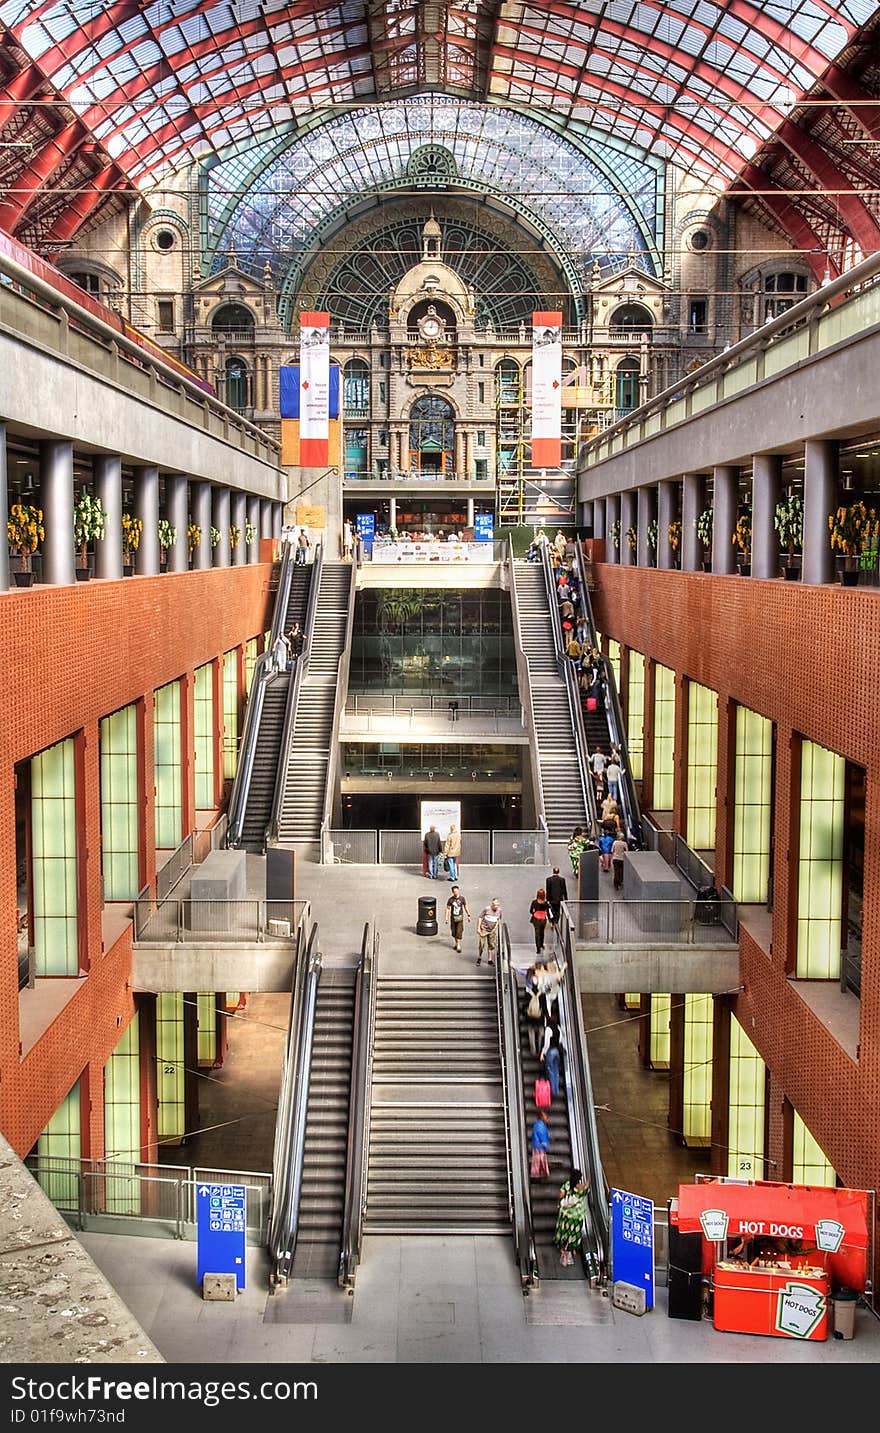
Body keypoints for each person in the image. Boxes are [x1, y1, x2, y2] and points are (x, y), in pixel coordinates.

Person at [554, 1169, 589, 1266]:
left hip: (566, 1214)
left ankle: (562, 1247)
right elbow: (587, 1188)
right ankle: (572, 1249)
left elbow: (561, 1195)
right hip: (577, 1216)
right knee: (574, 1234)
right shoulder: (582, 1188)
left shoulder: (567, 1185)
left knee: (564, 1231)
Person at [541, 1016, 564, 1097]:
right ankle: (556, 1090)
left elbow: (546, 1044)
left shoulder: (548, 1029)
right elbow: (561, 1040)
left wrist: (543, 1053)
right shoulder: (558, 1028)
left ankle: (551, 1091)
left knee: (550, 1071)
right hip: (557, 1051)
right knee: (556, 1071)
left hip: (550, 1052)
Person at [445, 884, 471, 953]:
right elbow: (448, 908)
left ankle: (459, 945)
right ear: (452, 892)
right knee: (454, 932)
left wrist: (468, 914)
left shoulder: (462, 898)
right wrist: (446, 918)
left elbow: (465, 906)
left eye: (457, 891)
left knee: (459, 931)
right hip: (453, 918)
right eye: (454, 892)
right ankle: (456, 943)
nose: (456, 893)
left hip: (460, 918)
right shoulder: (450, 900)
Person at [476, 898, 502, 967]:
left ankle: (490, 960)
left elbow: (499, 919)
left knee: (491, 945)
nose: (495, 906)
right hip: (484, 929)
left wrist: (496, 928)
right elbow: (480, 917)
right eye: (494, 905)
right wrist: (478, 928)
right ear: (492, 904)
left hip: (492, 930)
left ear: (498, 905)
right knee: (482, 945)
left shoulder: (499, 911)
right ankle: (479, 957)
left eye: (496, 905)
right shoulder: (487, 909)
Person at [529, 887, 551, 953]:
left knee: (537, 933)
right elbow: (548, 912)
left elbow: (530, 911)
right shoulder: (546, 903)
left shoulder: (534, 902)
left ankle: (538, 948)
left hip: (536, 919)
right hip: (543, 919)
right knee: (542, 932)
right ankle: (541, 944)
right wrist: (550, 920)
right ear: (544, 895)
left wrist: (534, 913)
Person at [530, 1110, 551, 1180]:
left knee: (538, 1160)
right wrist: (545, 1145)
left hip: (536, 1145)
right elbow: (542, 1136)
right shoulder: (540, 1125)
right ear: (541, 1117)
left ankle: (539, 1173)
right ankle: (540, 1173)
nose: (547, 1118)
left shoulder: (538, 1124)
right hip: (539, 1146)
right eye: (545, 1116)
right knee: (540, 1159)